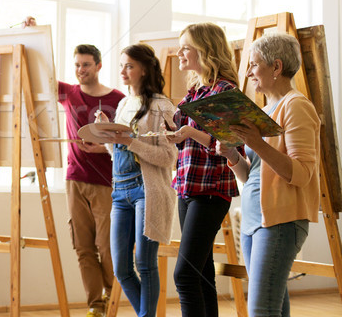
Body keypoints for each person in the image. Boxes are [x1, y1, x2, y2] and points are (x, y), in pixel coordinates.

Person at [216, 33, 320, 317]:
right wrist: (233, 156)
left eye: (253, 65)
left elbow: (301, 174)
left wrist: (257, 144)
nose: (248, 74)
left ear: (276, 67)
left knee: (261, 310)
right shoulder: (262, 112)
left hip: (280, 222)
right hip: (253, 220)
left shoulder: (296, 105)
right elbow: (253, 176)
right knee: (274, 309)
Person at [165, 22, 242, 317]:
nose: (179, 52)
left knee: (184, 275)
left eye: (185, 46)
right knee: (202, 275)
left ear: (205, 50)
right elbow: (186, 136)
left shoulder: (225, 90)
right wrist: (174, 132)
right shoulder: (194, 91)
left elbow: (233, 145)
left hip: (212, 192)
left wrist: (189, 133)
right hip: (187, 189)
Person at [96, 44, 177, 317]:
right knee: (120, 268)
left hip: (147, 191)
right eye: (121, 65)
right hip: (120, 190)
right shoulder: (122, 104)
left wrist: (130, 141)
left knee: (145, 263)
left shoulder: (162, 106)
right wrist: (109, 133)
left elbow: (169, 158)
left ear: (144, 69)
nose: (122, 71)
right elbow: (117, 152)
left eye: (129, 66)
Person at [57, 44, 125, 317]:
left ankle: (112, 297)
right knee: (83, 247)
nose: (80, 70)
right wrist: (30, 29)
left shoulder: (119, 99)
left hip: (107, 182)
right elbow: (40, 71)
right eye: (76, 65)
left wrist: (102, 147)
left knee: (107, 246)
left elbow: (128, 140)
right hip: (75, 179)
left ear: (98, 66)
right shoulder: (69, 94)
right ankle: (94, 306)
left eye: (85, 64)